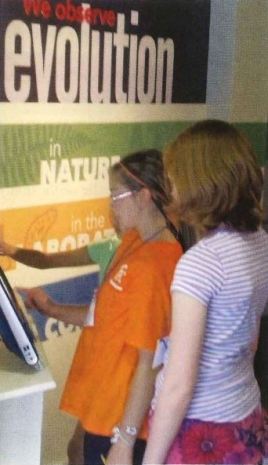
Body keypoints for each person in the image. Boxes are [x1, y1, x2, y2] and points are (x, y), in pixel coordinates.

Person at [17, 149, 184, 465]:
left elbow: (150, 360)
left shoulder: (156, 264)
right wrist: (52, 308)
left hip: (121, 419)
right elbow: (109, 319)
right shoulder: (134, 245)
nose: (111, 206)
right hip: (104, 408)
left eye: (115, 196)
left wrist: (125, 439)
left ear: (144, 196)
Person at [143, 120, 268, 465]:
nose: (172, 189)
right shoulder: (260, 243)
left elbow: (180, 385)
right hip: (245, 416)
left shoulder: (200, 264)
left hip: (201, 432)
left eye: (175, 178)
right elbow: (251, 339)